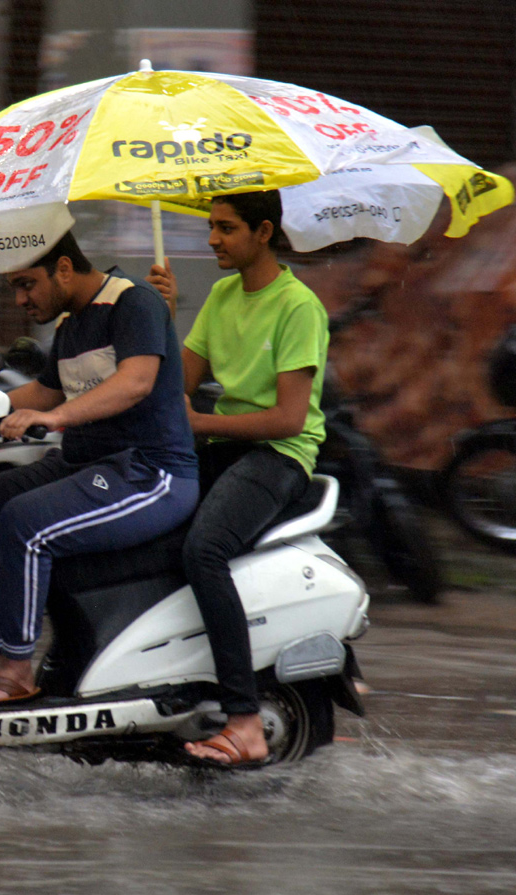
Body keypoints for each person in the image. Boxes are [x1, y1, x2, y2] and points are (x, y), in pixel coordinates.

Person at [0, 232, 200, 703]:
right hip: (87, 463)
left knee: (26, 522)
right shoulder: (71, 325)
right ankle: (0, 651)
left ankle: (19, 669)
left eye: (27, 285)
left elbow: (136, 382)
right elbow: (44, 392)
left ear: (64, 268)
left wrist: (56, 418)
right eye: (13, 289)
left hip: (149, 472)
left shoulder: (134, 303)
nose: (21, 299)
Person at [179, 190, 329, 766]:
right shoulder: (220, 294)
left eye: (226, 228)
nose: (212, 238)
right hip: (223, 447)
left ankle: (243, 720)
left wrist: (201, 421)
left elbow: (291, 417)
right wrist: (161, 311)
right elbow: (179, 384)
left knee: (204, 551)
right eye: (211, 227)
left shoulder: (298, 306)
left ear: (263, 232)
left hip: (281, 456)